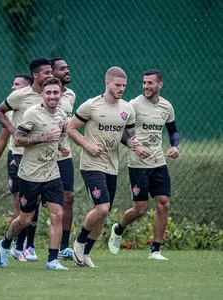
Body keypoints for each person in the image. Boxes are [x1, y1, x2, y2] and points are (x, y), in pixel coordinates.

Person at [67, 67, 137, 268]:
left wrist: (137, 146)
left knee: (104, 213)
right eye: (117, 85)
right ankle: (79, 243)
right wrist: (87, 145)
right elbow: (70, 129)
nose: (121, 89)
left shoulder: (127, 109)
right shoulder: (91, 106)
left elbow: (131, 136)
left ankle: (85, 254)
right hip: (91, 164)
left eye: (124, 85)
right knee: (102, 207)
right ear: (107, 83)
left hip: (112, 166)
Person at [0, 78, 69, 270]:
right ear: (43, 95)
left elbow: (58, 136)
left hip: (52, 174)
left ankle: (52, 260)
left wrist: (61, 147)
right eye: (49, 93)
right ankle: (5, 243)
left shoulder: (62, 114)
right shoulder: (32, 114)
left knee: (57, 214)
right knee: (25, 220)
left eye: (56, 93)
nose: (52, 96)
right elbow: (18, 139)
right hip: (29, 175)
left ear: (60, 94)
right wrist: (43, 138)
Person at [108, 69, 179, 260]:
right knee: (140, 209)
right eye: (144, 82)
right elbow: (120, 132)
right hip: (138, 164)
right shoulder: (133, 105)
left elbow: (173, 130)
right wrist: (134, 146)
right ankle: (118, 228)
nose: (146, 86)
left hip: (159, 163)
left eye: (150, 83)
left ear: (160, 85)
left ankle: (155, 250)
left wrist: (175, 146)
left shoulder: (167, 107)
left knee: (163, 204)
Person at [0, 57, 53, 262]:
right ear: (35, 75)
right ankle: (16, 246)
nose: (50, 76)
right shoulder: (19, 96)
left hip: (42, 156)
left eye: (51, 72)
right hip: (18, 155)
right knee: (21, 203)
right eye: (46, 73)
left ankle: (26, 246)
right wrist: (12, 130)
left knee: (36, 203)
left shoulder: (51, 95)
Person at [0, 74, 33, 220]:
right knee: (18, 198)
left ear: (26, 89)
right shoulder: (10, 111)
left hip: (35, 156)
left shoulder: (37, 108)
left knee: (33, 199)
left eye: (17, 84)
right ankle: (17, 239)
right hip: (15, 157)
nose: (13, 87)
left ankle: (29, 239)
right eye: (13, 84)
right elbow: (2, 139)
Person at [50, 58, 76, 260]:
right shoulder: (42, 95)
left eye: (67, 67)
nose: (67, 70)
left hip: (64, 155)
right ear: (51, 73)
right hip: (43, 156)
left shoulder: (71, 95)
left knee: (69, 198)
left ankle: (63, 247)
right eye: (62, 68)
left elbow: (67, 124)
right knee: (34, 204)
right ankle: (24, 245)